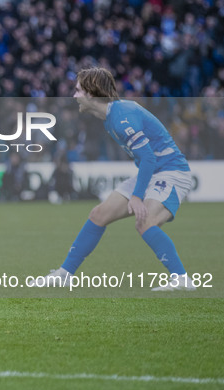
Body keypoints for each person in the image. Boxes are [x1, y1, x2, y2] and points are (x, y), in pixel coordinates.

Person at [30, 67, 195, 291]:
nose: (74, 95)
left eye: (78, 90)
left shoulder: (121, 117)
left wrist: (137, 197)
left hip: (171, 172)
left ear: (91, 91)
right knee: (99, 214)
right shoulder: (111, 116)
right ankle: (65, 273)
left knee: (145, 222)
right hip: (154, 170)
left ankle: (182, 279)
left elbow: (148, 158)